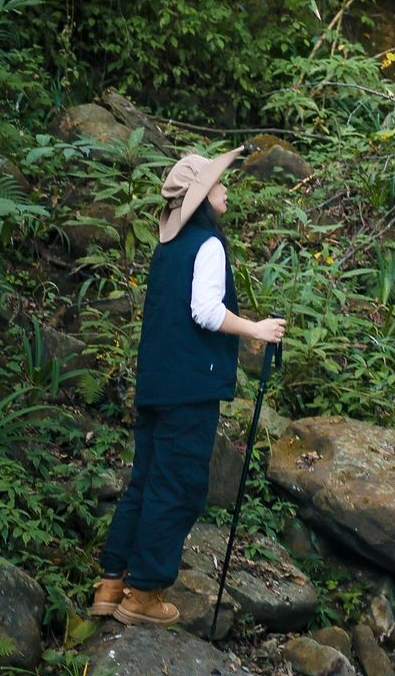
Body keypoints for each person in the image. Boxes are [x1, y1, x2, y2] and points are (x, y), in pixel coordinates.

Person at [90, 146, 287, 626]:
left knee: (145, 482)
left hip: (156, 385)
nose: (225, 189)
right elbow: (206, 311)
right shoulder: (208, 244)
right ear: (200, 199)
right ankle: (144, 595)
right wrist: (256, 329)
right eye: (217, 184)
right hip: (189, 391)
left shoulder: (168, 247)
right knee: (177, 488)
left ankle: (112, 584)